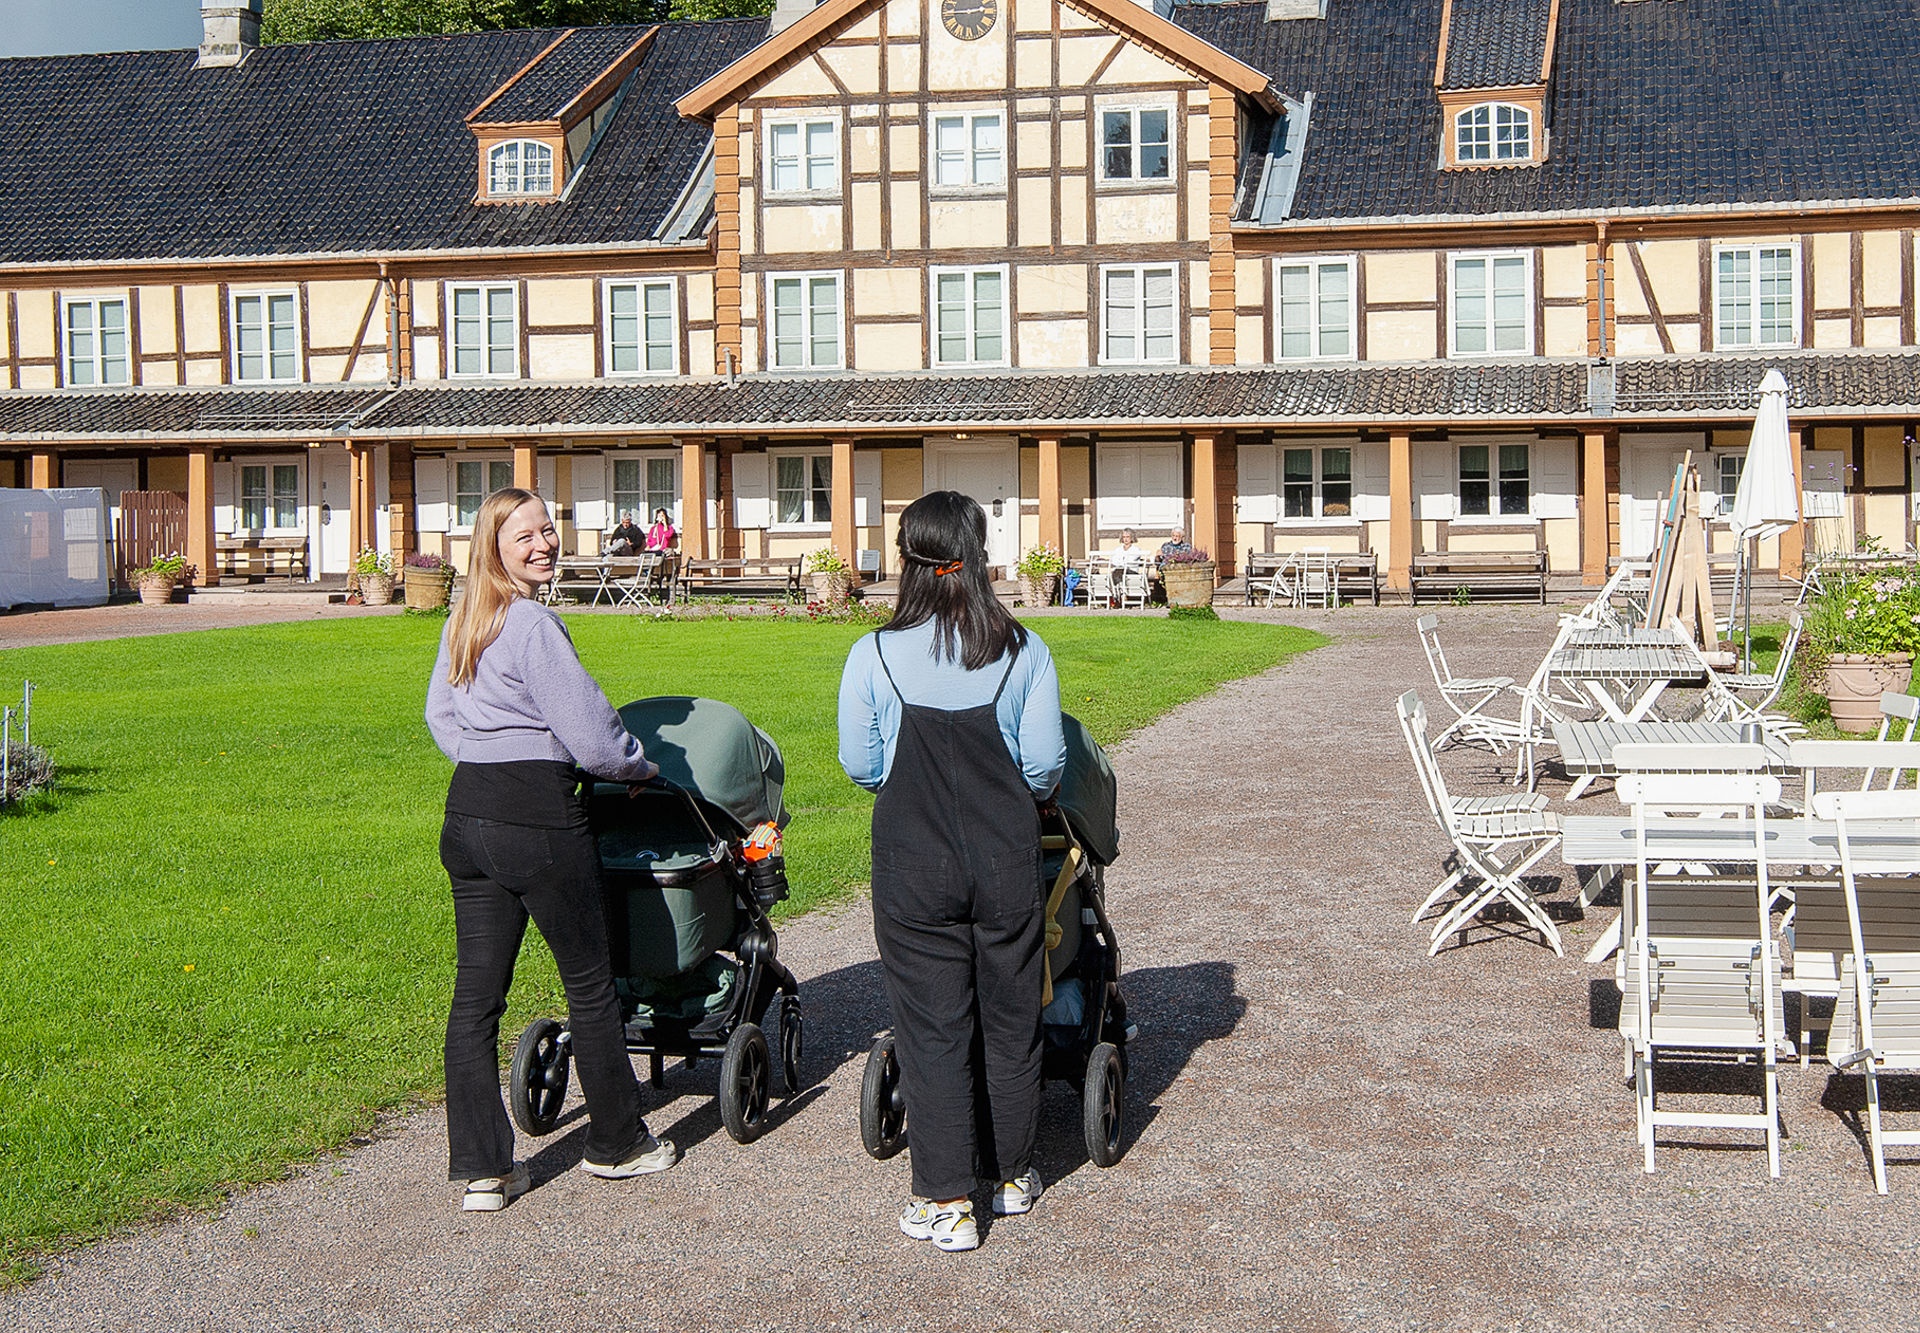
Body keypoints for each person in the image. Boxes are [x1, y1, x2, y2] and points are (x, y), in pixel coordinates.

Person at [426, 487, 678, 1214]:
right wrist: (640, 767)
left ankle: (483, 1169)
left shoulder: (465, 618)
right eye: (524, 536)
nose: (543, 543)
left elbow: (439, 714)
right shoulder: (534, 624)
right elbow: (596, 738)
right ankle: (617, 1144)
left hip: (467, 812)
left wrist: (484, 756)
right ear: (494, 548)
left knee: (475, 999)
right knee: (590, 983)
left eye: (547, 529)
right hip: (536, 816)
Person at [837, 491, 1067, 1253]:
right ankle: (1009, 1174)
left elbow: (861, 765)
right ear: (980, 556)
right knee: (1008, 1018)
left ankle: (945, 1200)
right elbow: (1043, 767)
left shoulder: (872, 654)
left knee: (933, 1028)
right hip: (1003, 858)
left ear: (907, 562)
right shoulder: (1025, 651)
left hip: (914, 862)